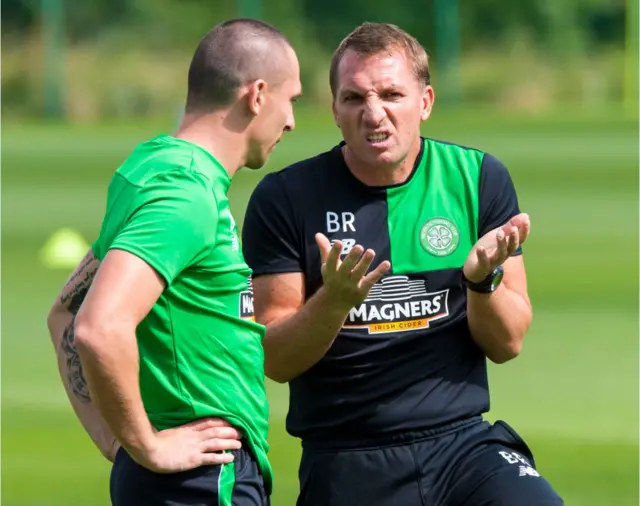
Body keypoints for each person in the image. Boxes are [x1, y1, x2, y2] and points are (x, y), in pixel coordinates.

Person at [242, 22, 564, 506]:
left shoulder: (476, 178)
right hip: (348, 456)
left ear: (426, 102)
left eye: (392, 94)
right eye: (354, 98)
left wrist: (482, 282)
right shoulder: (287, 198)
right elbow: (275, 358)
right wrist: (334, 303)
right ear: (333, 110)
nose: (374, 115)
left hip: (463, 447)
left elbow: (509, 342)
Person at [46, 18, 302, 506]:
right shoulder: (185, 196)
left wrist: (114, 441)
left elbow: (65, 310)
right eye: (291, 99)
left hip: (170, 481)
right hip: (201, 480)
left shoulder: (153, 168)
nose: (291, 120)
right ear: (258, 95)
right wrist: (146, 446)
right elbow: (97, 326)